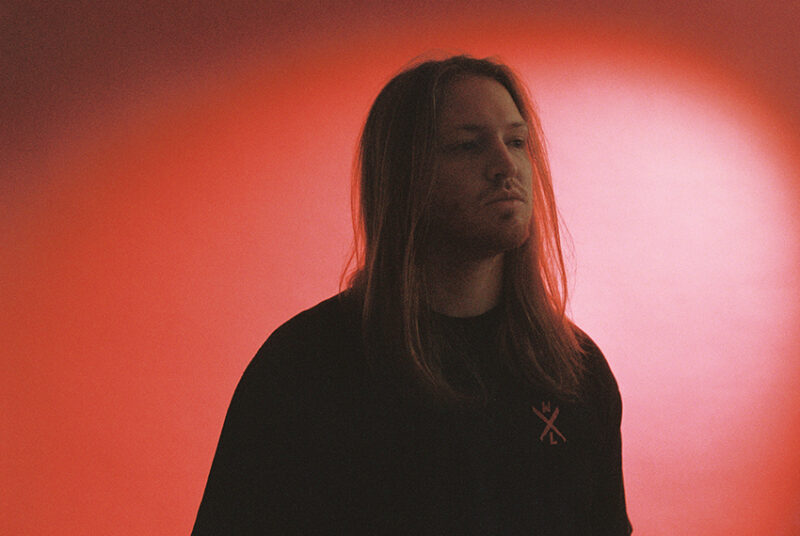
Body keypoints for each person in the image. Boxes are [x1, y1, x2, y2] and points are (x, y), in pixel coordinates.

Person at [192, 55, 632, 535]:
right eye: (467, 145)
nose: (505, 166)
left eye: (516, 141)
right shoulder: (304, 366)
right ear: (406, 176)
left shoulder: (575, 372)